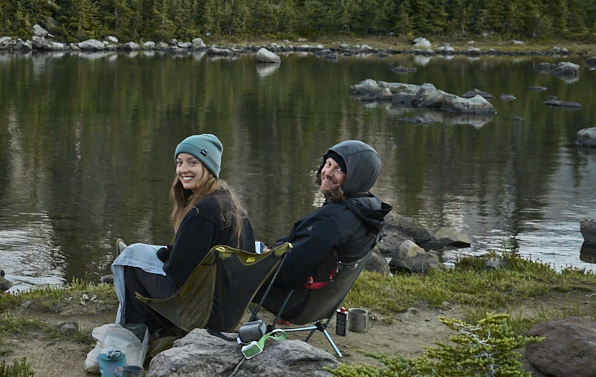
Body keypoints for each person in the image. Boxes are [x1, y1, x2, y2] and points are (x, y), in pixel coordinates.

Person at [113, 133, 255, 334]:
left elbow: (178, 273)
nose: (183, 169)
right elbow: (200, 253)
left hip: (203, 314)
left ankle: (136, 334)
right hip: (228, 312)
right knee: (147, 253)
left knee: (131, 261)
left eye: (192, 162)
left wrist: (166, 256)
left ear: (209, 167)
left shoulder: (202, 212)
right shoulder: (229, 204)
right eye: (179, 162)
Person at [260, 139, 389, 320]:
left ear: (356, 177)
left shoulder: (333, 220)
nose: (327, 173)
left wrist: (266, 255)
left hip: (295, 304)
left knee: (228, 266)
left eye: (339, 169)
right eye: (328, 164)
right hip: (324, 306)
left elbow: (287, 269)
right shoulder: (369, 211)